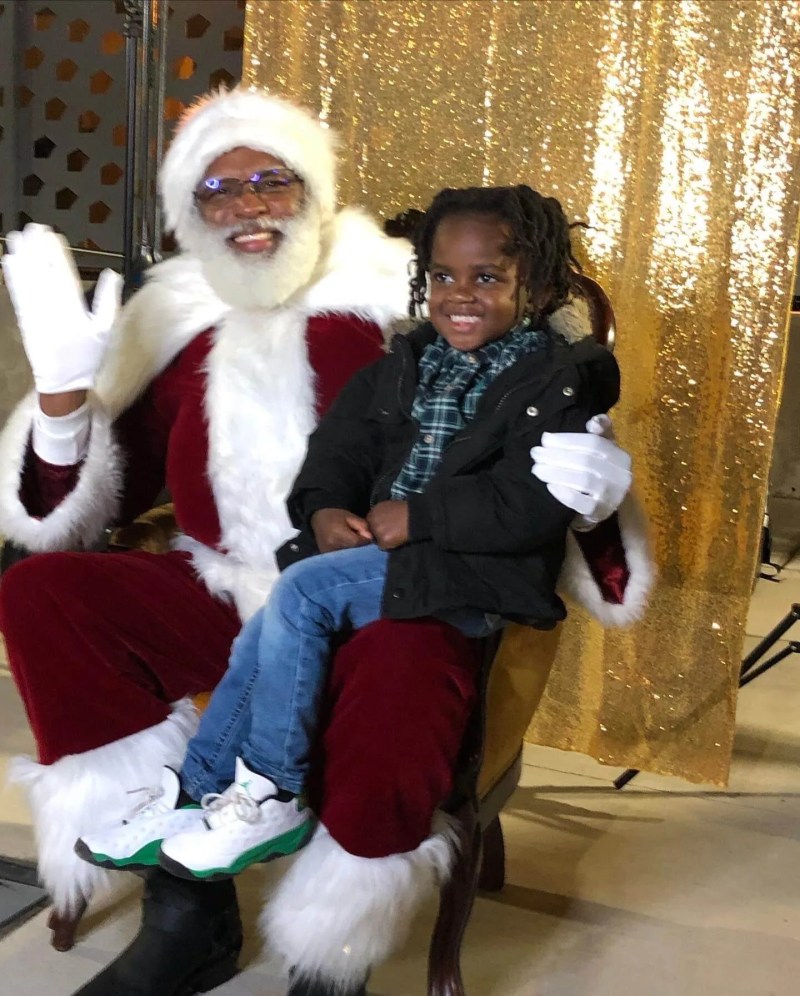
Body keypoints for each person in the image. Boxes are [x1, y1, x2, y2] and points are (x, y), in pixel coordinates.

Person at [0, 88, 649, 996]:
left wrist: (593, 496)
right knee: (42, 592)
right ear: (191, 210)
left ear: (313, 186)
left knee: (402, 667)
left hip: (397, 589)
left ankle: (332, 952)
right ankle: (189, 912)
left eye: (271, 179)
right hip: (223, 586)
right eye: (219, 189)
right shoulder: (172, 317)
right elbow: (80, 509)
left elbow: (544, 450)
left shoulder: (404, 293)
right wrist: (65, 400)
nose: (248, 204)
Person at [73, 184, 621, 884]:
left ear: (538, 288)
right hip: (393, 560)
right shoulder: (404, 364)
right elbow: (336, 453)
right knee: (266, 627)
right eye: (444, 276)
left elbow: (531, 507)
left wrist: (423, 515)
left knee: (295, 596)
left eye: (488, 278)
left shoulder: (556, 382)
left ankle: (270, 787)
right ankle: (195, 792)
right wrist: (326, 509)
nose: (461, 294)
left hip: (471, 575)